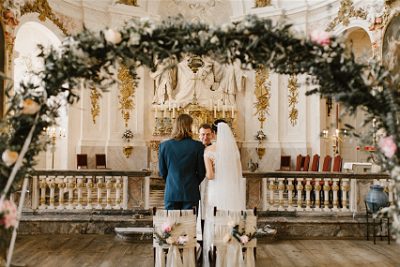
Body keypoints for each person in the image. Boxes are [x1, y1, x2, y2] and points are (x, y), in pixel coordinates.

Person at [202, 119, 246, 267]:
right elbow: (238, 173)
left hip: (216, 189)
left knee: (216, 219)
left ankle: (216, 255)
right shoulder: (234, 150)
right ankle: (232, 255)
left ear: (214, 133)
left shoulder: (209, 151)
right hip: (232, 189)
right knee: (230, 217)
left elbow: (210, 175)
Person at [158, 114, 206, 210]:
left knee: (171, 223)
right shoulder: (198, 146)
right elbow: (201, 172)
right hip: (191, 192)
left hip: (171, 192)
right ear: (190, 127)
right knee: (189, 223)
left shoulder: (164, 146)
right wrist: (192, 182)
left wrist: (172, 180)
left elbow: (162, 172)